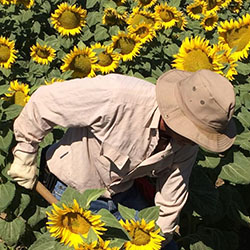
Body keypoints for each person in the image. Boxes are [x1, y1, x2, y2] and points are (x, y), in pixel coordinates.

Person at [7, 69, 236, 250]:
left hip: (122, 192)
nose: (196, 141)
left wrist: (158, 240)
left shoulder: (187, 143)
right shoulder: (117, 96)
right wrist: (25, 153)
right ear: (175, 117)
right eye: (195, 133)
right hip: (71, 189)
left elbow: (172, 195)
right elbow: (45, 101)